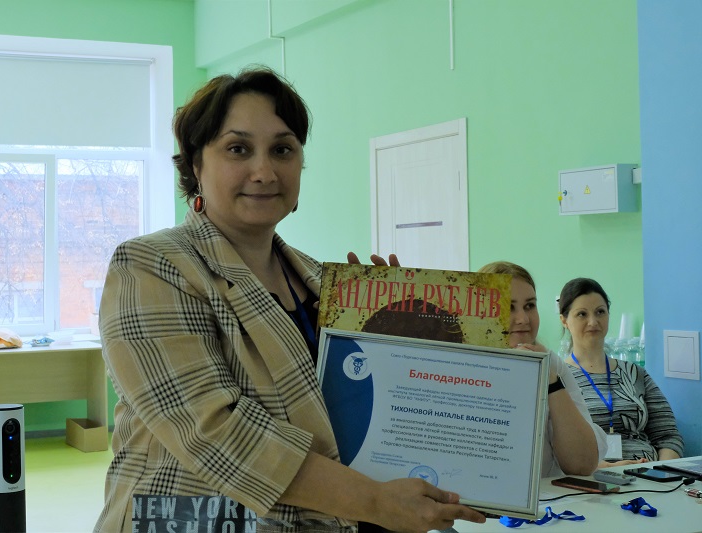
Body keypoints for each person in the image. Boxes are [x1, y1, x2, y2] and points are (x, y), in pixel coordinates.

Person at [94, 67, 486, 532]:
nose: (264, 172)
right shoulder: (150, 266)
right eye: (238, 149)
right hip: (194, 520)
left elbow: (358, 416)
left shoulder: (323, 282)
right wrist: (377, 502)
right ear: (196, 165)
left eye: (282, 150)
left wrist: (401, 346)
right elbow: (213, 432)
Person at [477, 262, 605, 477]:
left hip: (546, 494)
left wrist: (550, 379)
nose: (523, 319)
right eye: (508, 307)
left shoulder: (551, 363)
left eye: (529, 306)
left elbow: (582, 464)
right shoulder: (461, 365)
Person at [559, 277, 683, 468]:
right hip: (591, 477)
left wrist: (663, 472)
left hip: (647, 476)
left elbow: (668, 436)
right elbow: (556, 451)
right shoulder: (558, 379)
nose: (593, 321)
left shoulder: (635, 374)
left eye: (600, 312)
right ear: (564, 320)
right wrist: (612, 469)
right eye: (582, 314)